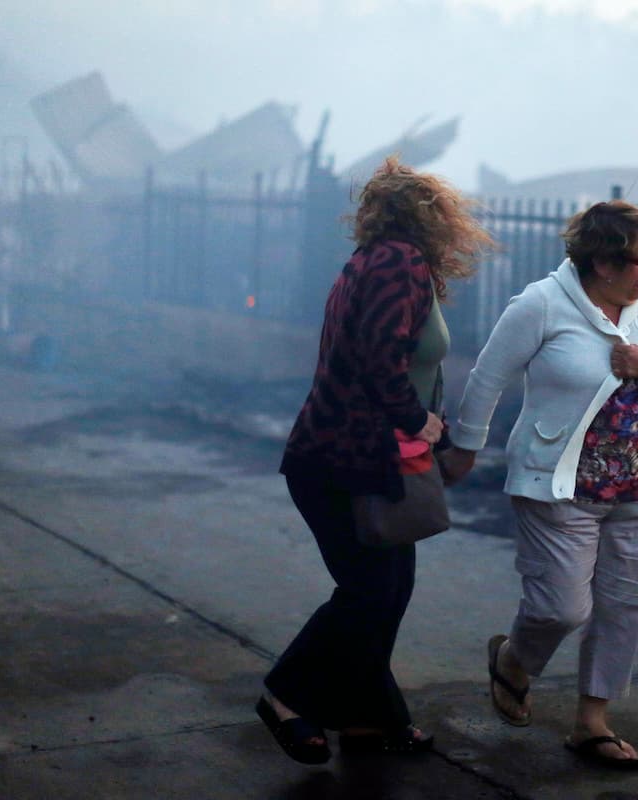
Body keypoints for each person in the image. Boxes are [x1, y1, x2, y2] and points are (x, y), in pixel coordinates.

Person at [442, 200, 638, 771]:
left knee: (626, 605)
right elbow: (489, 376)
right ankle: (513, 661)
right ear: (603, 263)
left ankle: (592, 723)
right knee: (560, 607)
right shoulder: (541, 303)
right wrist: (466, 446)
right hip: (558, 484)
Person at [256, 157, 494, 765]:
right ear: (432, 217)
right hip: (344, 459)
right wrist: (420, 422)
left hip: (357, 456)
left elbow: (406, 362)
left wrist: (426, 431)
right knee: (369, 591)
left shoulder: (372, 261)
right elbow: (377, 358)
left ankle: (369, 718)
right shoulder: (397, 262)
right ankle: (285, 695)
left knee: (389, 589)